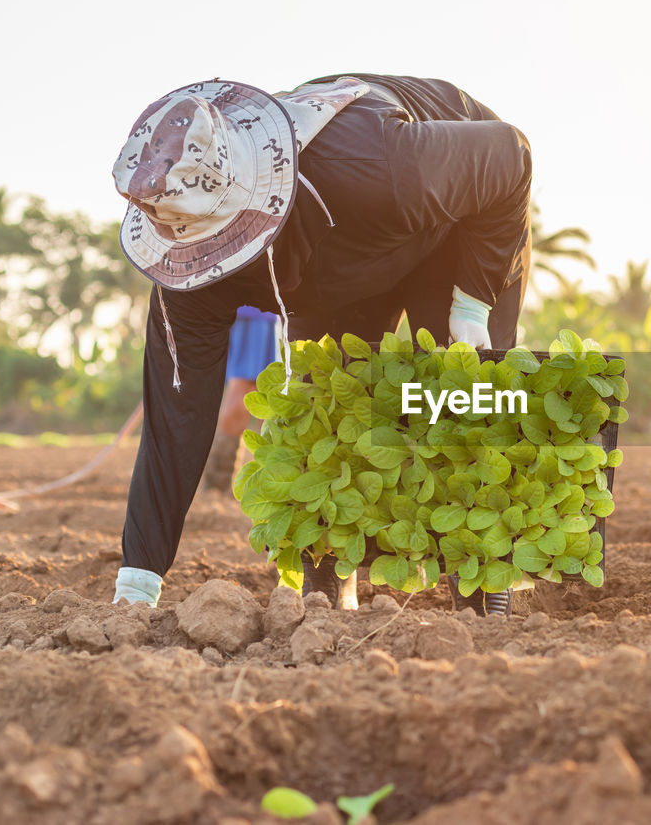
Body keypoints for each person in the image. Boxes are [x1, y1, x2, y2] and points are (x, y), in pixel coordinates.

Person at [110, 75, 532, 614]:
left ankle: (483, 589)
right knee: (326, 406)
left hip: (450, 222)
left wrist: (473, 303)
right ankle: (330, 578)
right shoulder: (187, 266)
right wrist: (138, 577)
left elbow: (510, 155)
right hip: (332, 261)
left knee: (462, 396)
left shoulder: (379, 167)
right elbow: (176, 418)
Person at [199, 306, 280, 495]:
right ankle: (218, 480)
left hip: (257, 310)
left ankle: (221, 481)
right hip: (253, 309)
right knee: (246, 385)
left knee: (262, 387)